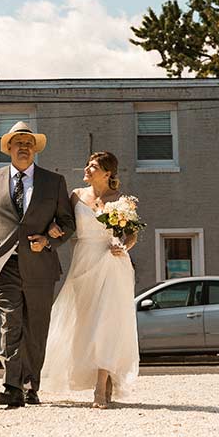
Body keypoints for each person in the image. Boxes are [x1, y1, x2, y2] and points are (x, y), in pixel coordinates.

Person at [0, 121, 77, 409]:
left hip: (40, 266)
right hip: (3, 265)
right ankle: (11, 386)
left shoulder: (53, 182)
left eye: (29, 143)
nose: (24, 147)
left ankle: (32, 386)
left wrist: (48, 240)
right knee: (10, 323)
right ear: (9, 148)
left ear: (35, 150)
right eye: (19, 143)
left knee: (36, 327)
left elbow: (68, 223)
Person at [39, 151, 140, 408]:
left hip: (113, 263)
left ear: (107, 173)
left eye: (93, 166)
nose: (87, 168)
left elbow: (131, 236)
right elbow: (62, 222)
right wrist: (52, 228)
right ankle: (103, 380)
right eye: (88, 164)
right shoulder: (75, 195)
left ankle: (100, 387)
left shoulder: (121, 201)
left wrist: (124, 248)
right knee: (86, 324)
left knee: (106, 322)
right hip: (84, 262)